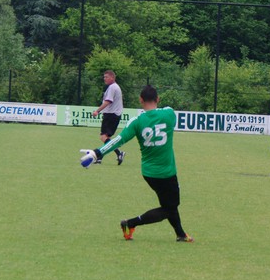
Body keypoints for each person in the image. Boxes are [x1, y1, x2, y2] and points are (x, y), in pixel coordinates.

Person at [81, 85, 193, 242]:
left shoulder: (137, 122)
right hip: (167, 172)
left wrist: (96, 153)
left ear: (140, 100)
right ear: (158, 99)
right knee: (170, 208)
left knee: (169, 205)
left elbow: (118, 140)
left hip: (149, 173)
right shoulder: (168, 113)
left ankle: (181, 234)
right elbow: (167, 110)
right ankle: (130, 223)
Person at [91, 70, 125, 165]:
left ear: (112, 78)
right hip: (114, 115)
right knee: (107, 139)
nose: (104, 79)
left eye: (106, 77)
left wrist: (97, 111)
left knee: (103, 137)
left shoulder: (112, 87)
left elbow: (108, 101)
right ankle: (100, 158)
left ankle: (119, 153)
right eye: (104, 77)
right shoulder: (115, 87)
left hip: (111, 115)